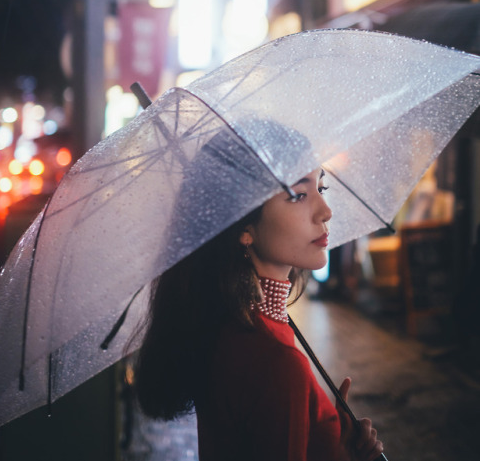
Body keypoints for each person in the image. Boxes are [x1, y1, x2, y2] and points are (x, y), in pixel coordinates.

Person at [134, 122, 384, 461]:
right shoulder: (276, 362)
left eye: (320, 188)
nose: (325, 212)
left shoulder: (234, 328)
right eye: (298, 194)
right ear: (244, 227)